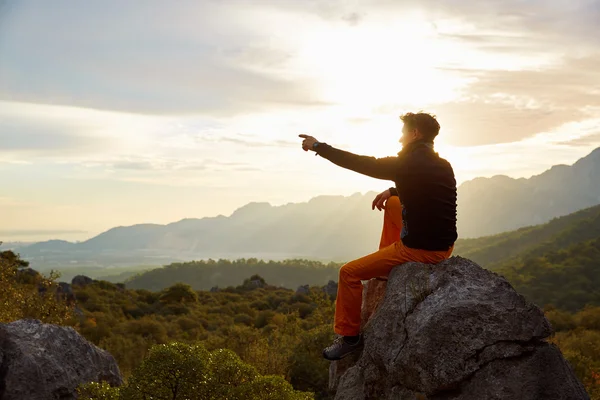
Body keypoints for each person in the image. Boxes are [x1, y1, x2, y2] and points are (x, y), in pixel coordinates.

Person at [299, 112, 457, 361]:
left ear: (415, 134)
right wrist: (394, 189)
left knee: (348, 273)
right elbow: (428, 188)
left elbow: (361, 163)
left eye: (404, 132)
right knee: (394, 202)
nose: (400, 139)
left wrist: (318, 146)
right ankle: (385, 271)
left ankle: (350, 337)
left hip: (420, 249)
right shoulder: (442, 165)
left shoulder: (405, 163)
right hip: (444, 245)